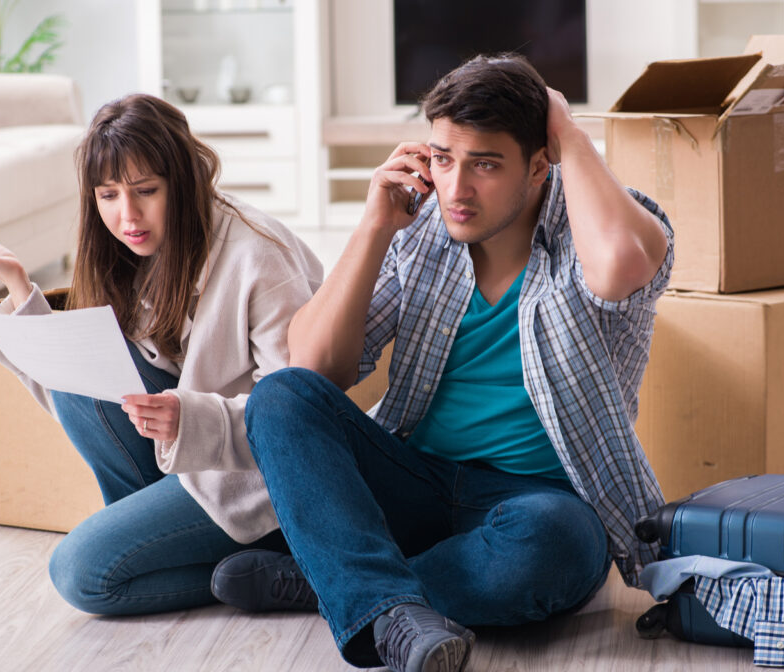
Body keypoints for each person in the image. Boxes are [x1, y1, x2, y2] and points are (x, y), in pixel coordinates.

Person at [210, 54, 674, 672]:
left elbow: (619, 267)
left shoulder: (603, 220)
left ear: (539, 163)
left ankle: (343, 586)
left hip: (539, 505)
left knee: (552, 547)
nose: (455, 188)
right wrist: (375, 225)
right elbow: (314, 366)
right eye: (443, 158)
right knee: (281, 396)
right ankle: (376, 595)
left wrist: (567, 128)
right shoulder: (422, 228)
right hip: (416, 480)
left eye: (484, 164)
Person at [0, 93, 322, 615]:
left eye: (146, 191)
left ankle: (293, 559)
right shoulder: (137, 249)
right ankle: (224, 562)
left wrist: (192, 418)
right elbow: (75, 390)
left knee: (81, 573)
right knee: (82, 373)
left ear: (183, 180)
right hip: (188, 456)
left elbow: (299, 414)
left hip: (254, 478)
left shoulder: (258, 255)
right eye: (108, 196)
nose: (128, 216)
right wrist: (16, 284)